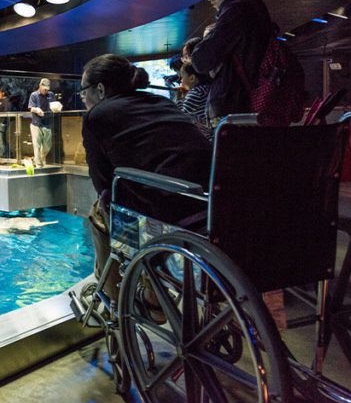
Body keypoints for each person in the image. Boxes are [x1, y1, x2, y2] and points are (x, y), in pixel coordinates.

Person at [80, 54, 212, 302]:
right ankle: (152, 295)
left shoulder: (96, 116)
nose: (83, 98)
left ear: (99, 89)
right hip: (207, 208)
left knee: (100, 211)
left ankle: (117, 299)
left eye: (83, 91)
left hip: (167, 219)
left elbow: (102, 183)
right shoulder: (162, 103)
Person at [191, 0, 273, 126]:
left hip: (237, 108)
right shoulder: (256, 9)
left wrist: (204, 42)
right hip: (250, 102)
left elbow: (201, 59)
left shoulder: (237, 11)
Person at [179, 37, 213, 140]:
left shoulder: (196, 92)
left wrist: (180, 98)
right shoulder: (207, 87)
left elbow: (181, 116)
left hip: (208, 138)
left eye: (186, 56)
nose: (185, 60)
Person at [28, 78, 55, 168]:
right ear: (40, 86)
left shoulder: (51, 95)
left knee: (47, 146)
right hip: (36, 123)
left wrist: (57, 108)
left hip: (47, 123)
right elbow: (31, 108)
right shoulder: (34, 95)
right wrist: (37, 109)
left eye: (47, 88)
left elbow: (54, 105)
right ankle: (38, 165)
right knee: (37, 145)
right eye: (44, 88)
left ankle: (35, 159)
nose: (46, 90)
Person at [0, 86, 12, 159]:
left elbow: (7, 112)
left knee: (3, 140)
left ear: (3, 93)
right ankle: (6, 154)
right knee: (2, 139)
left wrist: (4, 122)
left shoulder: (7, 101)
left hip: (4, 123)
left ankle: (4, 155)